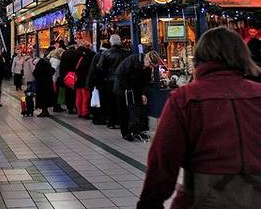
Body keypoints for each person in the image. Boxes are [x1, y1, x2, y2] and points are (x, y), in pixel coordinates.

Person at [137, 27, 261, 209]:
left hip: (202, 199)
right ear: (243, 55)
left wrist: (150, 202)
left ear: (200, 57)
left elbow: (163, 159)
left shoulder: (185, 98)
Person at [114, 50, 153, 141]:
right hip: (123, 89)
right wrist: (128, 87)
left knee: (139, 110)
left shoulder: (148, 68)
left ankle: (139, 131)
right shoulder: (132, 60)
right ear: (146, 59)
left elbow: (146, 81)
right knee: (125, 111)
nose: (151, 67)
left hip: (136, 89)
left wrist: (143, 93)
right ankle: (126, 133)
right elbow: (119, 73)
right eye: (150, 64)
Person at [96, 35, 130, 128]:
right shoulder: (126, 53)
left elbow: (99, 66)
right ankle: (121, 121)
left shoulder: (106, 53)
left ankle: (112, 122)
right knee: (121, 102)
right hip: (122, 81)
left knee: (111, 102)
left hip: (110, 81)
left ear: (111, 42)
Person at [86, 42, 110, 125]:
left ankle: (96, 117)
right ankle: (98, 118)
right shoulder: (102, 55)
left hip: (94, 81)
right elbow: (99, 69)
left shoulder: (98, 54)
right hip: (98, 82)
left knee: (96, 99)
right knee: (99, 100)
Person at [58, 43, 81, 114]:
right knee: (75, 92)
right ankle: (75, 107)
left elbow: (61, 66)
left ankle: (69, 107)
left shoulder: (64, 53)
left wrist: (62, 76)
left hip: (66, 75)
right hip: (75, 75)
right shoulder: (77, 53)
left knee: (68, 92)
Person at [74, 44, 95, 119]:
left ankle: (79, 112)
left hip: (77, 81)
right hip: (84, 81)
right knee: (86, 96)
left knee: (79, 97)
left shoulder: (78, 59)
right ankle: (85, 112)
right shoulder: (86, 59)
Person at [33, 50, 56, 117]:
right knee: (47, 97)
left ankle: (44, 111)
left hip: (41, 84)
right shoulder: (48, 63)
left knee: (42, 98)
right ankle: (46, 111)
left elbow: (35, 73)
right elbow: (53, 71)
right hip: (48, 84)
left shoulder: (39, 64)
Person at [49, 44, 66, 112]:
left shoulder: (52, 59)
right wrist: (54, 80)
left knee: (56, 94)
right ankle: (57, 107)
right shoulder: (57, 61)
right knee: (57, 94)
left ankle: (57, 106)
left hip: (54, 79)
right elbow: (54, 70)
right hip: (55, 80)